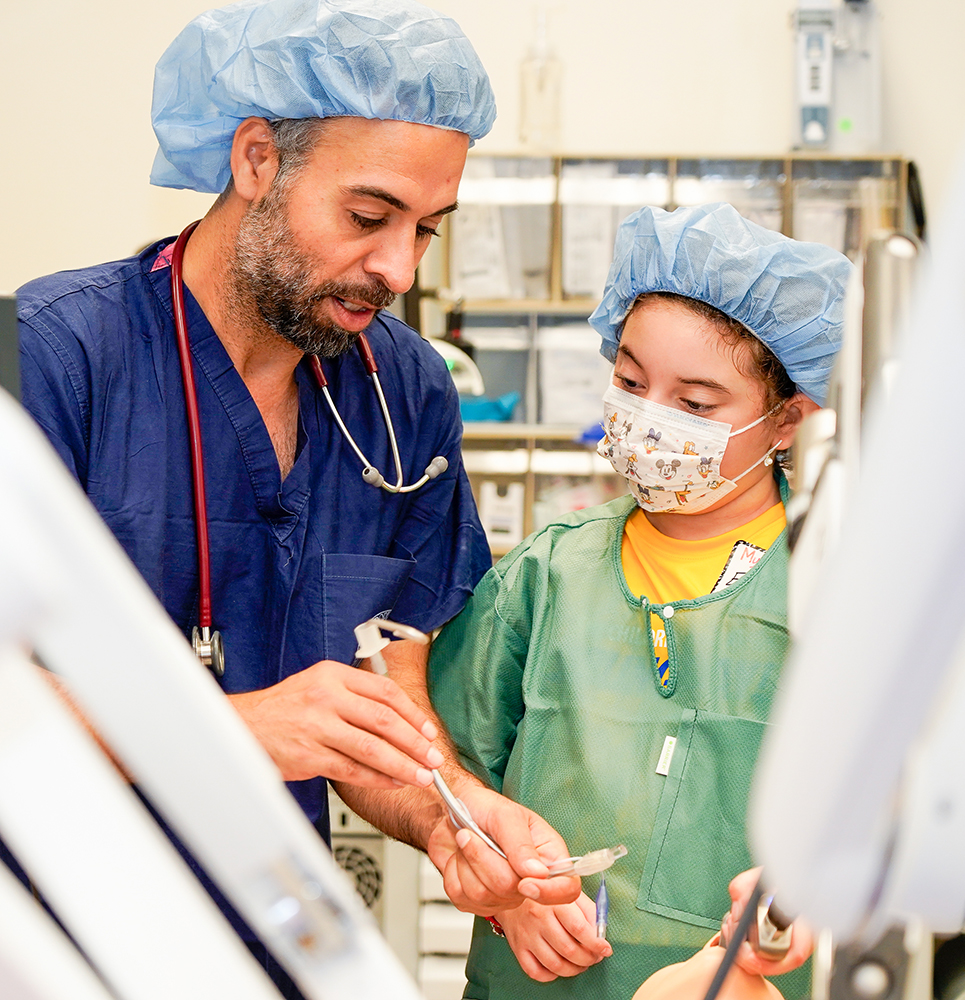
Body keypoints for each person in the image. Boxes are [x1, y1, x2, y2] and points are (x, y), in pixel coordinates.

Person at [14, 2, 578, 995]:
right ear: (257, 160)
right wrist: (231, 727)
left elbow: (384, 704)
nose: (398, 268)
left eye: (425, 230)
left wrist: (455, 815)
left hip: (276, 950)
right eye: (367, 218)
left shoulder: (404, 394)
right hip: (56, 950)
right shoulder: (51, 356)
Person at [427, 202, 854, 1000]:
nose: (650, 420)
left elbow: (890, 807)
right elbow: (446, 780)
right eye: (630, 382)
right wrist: (502, 895)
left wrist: (810, 903)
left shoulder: (831, 589)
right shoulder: (548, 573)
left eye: (695, 405)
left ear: (788, 421)